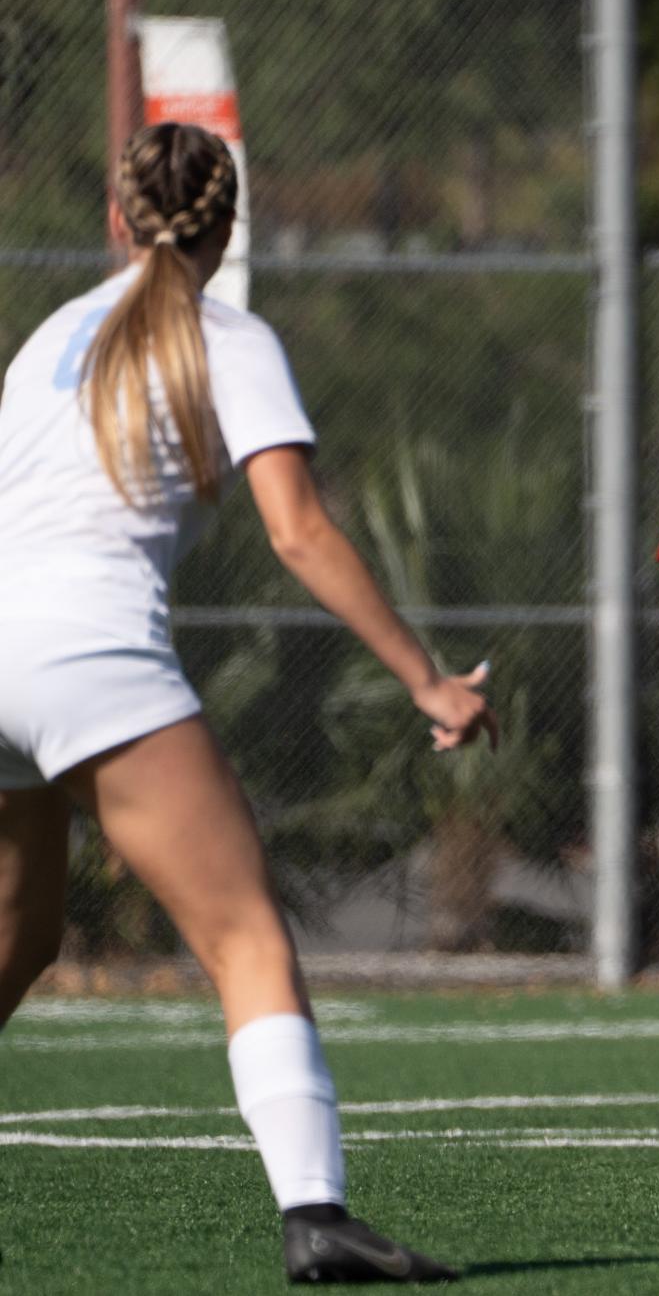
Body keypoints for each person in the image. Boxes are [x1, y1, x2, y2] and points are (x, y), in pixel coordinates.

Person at [0, 123, 495, 1281]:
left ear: (119, 220)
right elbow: (298, 529)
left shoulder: (48, 338)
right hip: (90, 655)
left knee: (17, 932)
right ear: (229, 226)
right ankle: (316, 1210)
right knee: (244, 934)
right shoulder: (228, 336)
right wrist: (424, 676)